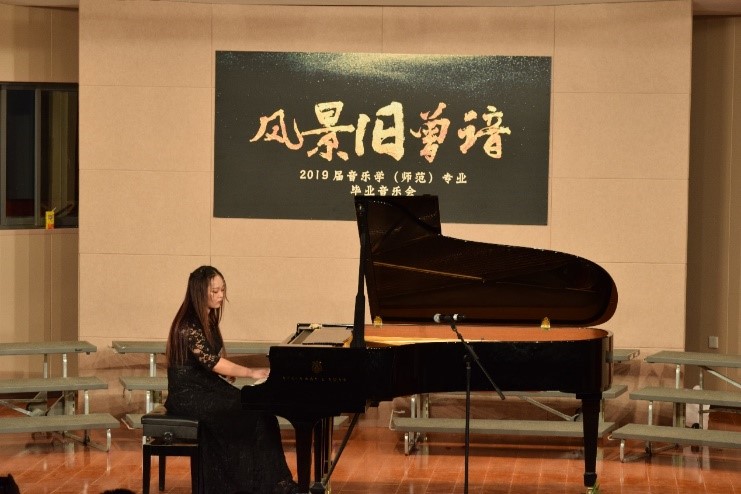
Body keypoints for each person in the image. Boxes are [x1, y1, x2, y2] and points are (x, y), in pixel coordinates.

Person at [165, 265, 298, 494]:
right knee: (252, 414)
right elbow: (212, 362)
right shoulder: (188, 325)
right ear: (199, 292)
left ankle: (272, 483)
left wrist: (225, 372)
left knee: (262, 413)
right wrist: (250, 372)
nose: (220, 295)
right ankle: (256, 484)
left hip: (205, 387)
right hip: (189, 395)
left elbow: (210, 360)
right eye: (215, 291)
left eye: (223, 290)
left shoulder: (207, 319)